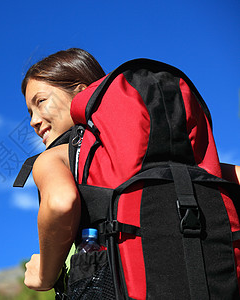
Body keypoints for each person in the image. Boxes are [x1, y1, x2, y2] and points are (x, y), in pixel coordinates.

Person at [20, 48, 240, 292]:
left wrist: (44, 275)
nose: (33, 121)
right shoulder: (177, 155)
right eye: (30, 112)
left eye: (40, 102)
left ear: (82, 93)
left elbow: (61, 203)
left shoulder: (54, 158)